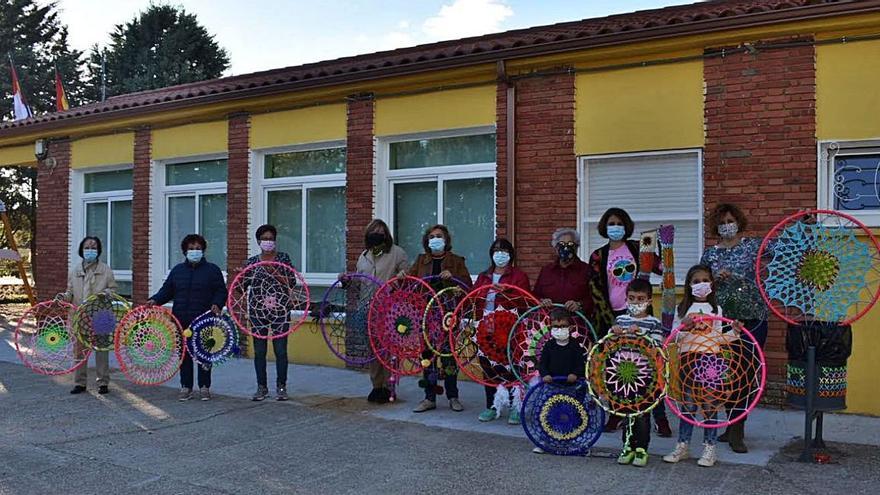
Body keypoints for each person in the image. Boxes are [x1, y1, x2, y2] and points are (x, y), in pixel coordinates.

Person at [588, 208, 669, 436]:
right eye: (611, 223)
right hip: (613, 318)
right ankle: (617, 413)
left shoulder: (637, 247)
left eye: (620, 223)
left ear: (626, 226)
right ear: (605, 226)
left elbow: (661, 269)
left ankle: (659, 417)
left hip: (640, 315)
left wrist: (663, 247)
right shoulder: (598, 256)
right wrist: (612, 321)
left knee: (649, 367)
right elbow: (595, 288)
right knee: (617, 367)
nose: (616, 227)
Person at [700, 203, 768, 453]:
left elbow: (782, 249)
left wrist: (805, 225)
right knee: (729, 375)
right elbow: (700, 283)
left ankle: (737, 430)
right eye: (722, 222)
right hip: (725, 322)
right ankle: (731, 425)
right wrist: (715, 279)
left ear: (738, 221)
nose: (727, 225)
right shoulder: (710, 254)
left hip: (753, 318)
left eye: (730, 220)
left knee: (748, 375)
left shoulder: (753, 246)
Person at [663, 265, 739, 468]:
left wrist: (735, 332)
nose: (701, 284)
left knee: (709, 405)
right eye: (696, 281)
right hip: (688, 360)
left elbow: (719, 339)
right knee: (688, 406)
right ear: (689, 285)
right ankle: (683, 445)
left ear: (712, 283)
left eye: (705, 280)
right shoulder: (682, 308)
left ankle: (709, 448)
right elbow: (673, 338)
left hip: (710, 362)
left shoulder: (717, 310)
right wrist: (684, 327)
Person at [148, 234, 227, 402]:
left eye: (198, 248)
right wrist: (155, 299)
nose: (194, 251)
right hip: (181, 319)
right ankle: (186, 387)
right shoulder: (177, 271)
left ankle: (204, 387)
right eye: (191, 248)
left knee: (204, 353)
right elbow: (166, 290)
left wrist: (217, 304)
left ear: (203, 250)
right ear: (185, 251)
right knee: (183, 354)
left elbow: (221, 291)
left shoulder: (212, 270)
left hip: (204, 320)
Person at [409, 224, 471, 413]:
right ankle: (429, 398)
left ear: (446, 240)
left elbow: (467, 285)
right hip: (426, 316)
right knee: (427, 357)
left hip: (448, 315)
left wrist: (453, 277)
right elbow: (409, 284)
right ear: (427, 241)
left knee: (449, 357)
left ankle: (453, 396)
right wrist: (403, 276)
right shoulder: (421, 260)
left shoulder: (456, 260)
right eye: (432, 236)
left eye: (439, 236)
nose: (435, 239)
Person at [350, 218, 409, 404]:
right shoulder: (364, 256)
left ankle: (389, 386)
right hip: (368, 310)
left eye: (380, 231)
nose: (377, 234)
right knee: (373, 351)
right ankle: (376, 386)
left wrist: (402, 277)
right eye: (373, 231)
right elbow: (358, 283)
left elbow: (407, 276)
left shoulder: (397, 253)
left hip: (390, 309)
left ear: (386, 235)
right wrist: (345, 280)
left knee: (389, 349)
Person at [472, 238, 531, 425]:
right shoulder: (484, 276)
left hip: (511, 329)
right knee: (488, 367)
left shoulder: (519, 276)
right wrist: (485, 291)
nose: (500, 254)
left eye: (504, 250)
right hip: (486, 329)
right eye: (496, 250)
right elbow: (473, 297)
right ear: (491, 254)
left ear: (511, 254)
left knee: (513, 367)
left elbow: (524, 301)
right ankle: (492, 406)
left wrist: (506, 292)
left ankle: (515, 407)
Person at [609, 279, 665, 467]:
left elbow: (657, 346)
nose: (635, 303)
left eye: (640, 299)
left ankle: (641, 449)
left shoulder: (654, 322)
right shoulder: (621, 320)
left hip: (645, 376)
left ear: (649, 301)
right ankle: (627, 446)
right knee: (626, 412)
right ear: (626, 299)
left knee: (642, 413)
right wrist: (614, 331)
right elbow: (610, 344)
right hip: (624, 375)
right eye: (631, 298)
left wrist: (641, 333)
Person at [58, 236, 117, 395]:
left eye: (93, 247)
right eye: (87, 247)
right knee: (79, 350)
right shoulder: (75, 271)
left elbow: (113, 290)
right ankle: (79, 383)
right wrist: (63, 297)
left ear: (98, 251)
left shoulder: (106, 270)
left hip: (102, 314)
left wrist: (106, 293)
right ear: (81, 250)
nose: (90, 250)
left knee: (102, 350)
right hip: (80, 315)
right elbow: (69, 292)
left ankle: (103, 383)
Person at [247, 224, 295, 402]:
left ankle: (281, 387)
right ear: (258, 241)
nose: (268, 241)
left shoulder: (283, 258)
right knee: (260, 351)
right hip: (257, 311)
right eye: (264, 238)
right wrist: (237, 276)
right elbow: (240, 287)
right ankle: (261, 387)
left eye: (271, 238)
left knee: (280, 350)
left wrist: (273, 270)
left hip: (280, 310)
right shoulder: (251, 262)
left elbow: (291, 282)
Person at [531, 307, 586, 454]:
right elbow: (542, 364)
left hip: (571, 387)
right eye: (556, 326)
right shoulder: (549, 345)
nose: (559, 329)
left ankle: (569, 441)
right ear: (550, 328)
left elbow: (581, 364)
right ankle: (545, 441)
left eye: (563, 326)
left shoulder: (575, 345)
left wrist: (575, 373)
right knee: (548, 413)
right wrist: (546, 375)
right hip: (552, 386)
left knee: (570, 414)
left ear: (570, 327)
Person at [533, 228, 593, 317]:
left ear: (576, 247)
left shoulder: (586, 270)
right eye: (561, 244)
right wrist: (542, 301)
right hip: (550, 323)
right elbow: (535, 296)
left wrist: (579, 305)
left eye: (570, 244)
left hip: (578, 324)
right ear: (556, 248)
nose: (565, 248)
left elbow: (593, 298)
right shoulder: (546, 271)